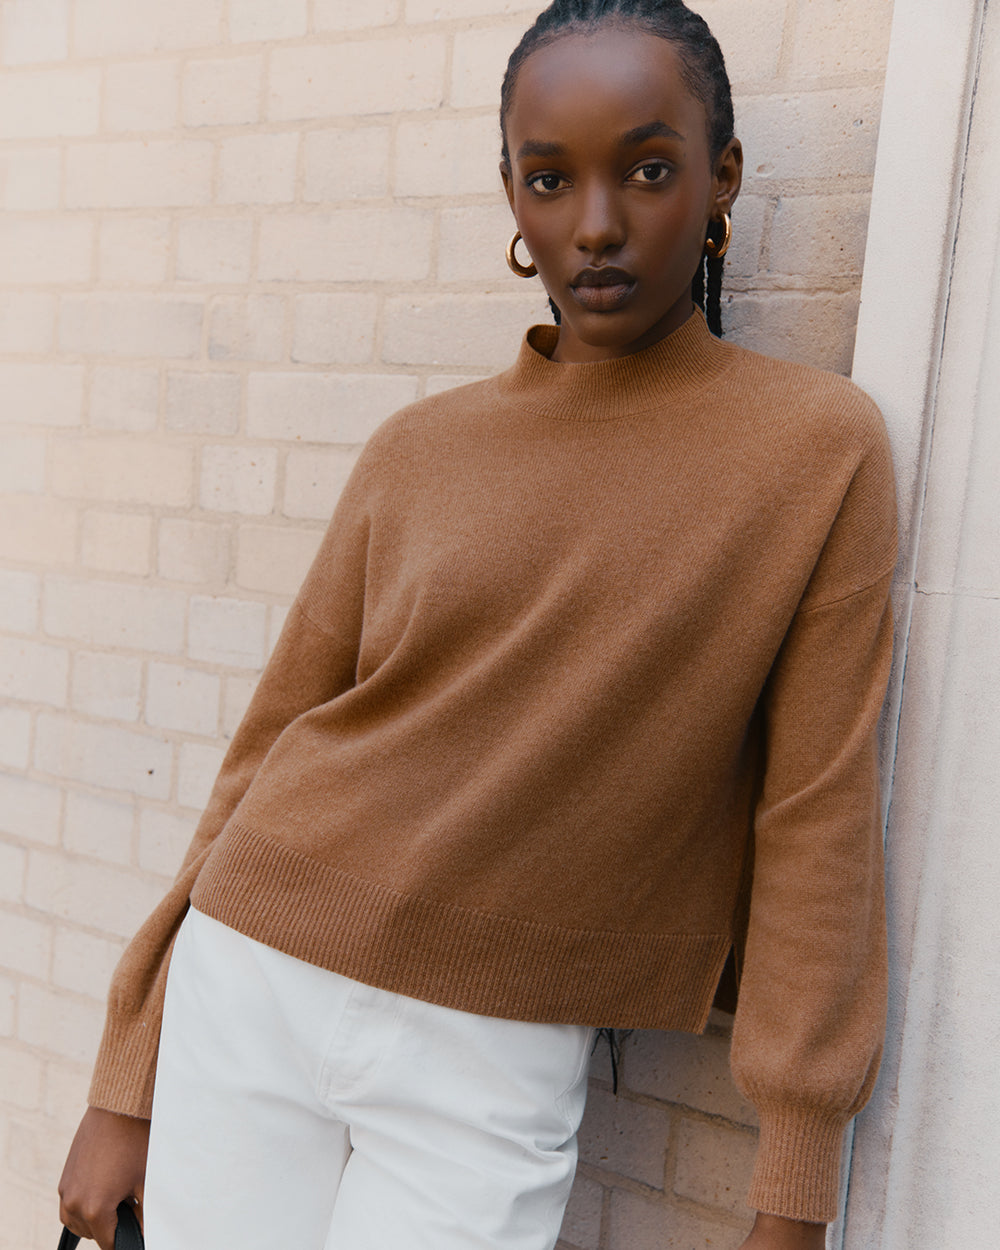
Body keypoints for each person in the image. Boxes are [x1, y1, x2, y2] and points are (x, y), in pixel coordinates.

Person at [57, 2, 896, 1248]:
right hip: (257, 972)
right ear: (510, 194)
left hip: (495, 1050)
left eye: (648, 168)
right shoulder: (416, 450)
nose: (596, 224)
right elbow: (270, 743)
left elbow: (816, 813)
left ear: (723, 178)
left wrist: (793, 1187)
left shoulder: (816, 449)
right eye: (550, 179)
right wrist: (125, 1074)